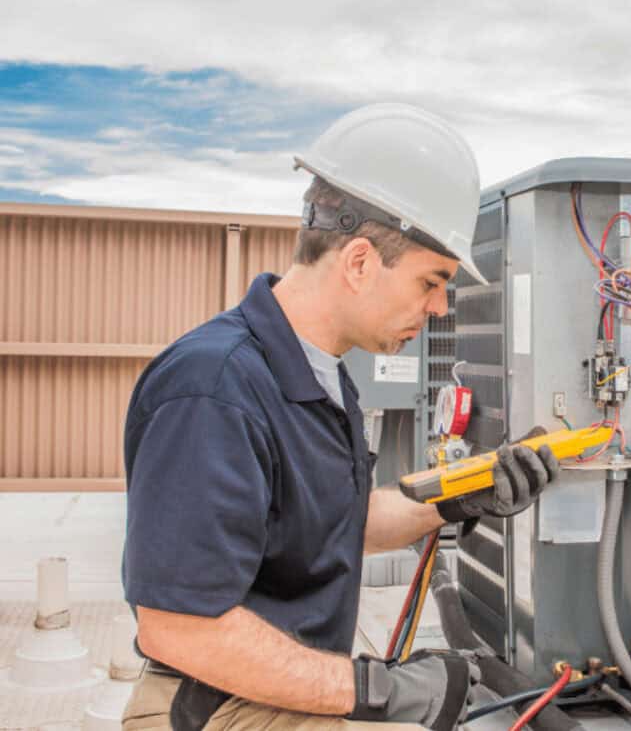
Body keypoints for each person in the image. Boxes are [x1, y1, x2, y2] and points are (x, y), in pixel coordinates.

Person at [120, 104, 559, 730]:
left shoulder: (320, 376)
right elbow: (178, 628)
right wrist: (379, 691)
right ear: (358, 262)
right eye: (431, 282)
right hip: (216, 706)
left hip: (276, 692)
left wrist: (469, 493)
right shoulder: (213, 390)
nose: (439, 308)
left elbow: (338, 526)